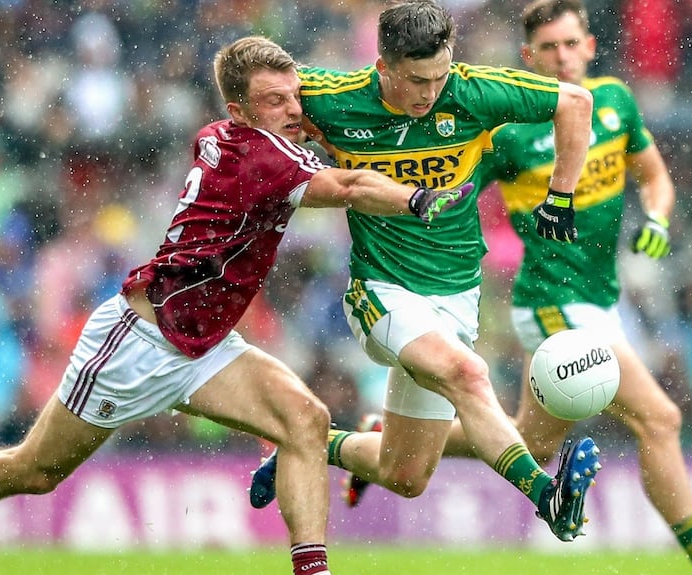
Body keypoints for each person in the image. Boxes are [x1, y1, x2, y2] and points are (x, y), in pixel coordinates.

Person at [0, 35, 474, 575]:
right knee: (36, 470)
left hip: (206, 345)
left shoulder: (228, 137)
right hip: (139, 341)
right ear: (239, 111)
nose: (294, 109)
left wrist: (314, 128)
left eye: (295, 96)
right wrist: (418, 197)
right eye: (274, 101)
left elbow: (294, 153)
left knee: (306, 421)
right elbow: (346, 187)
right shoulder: (259, 157)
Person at [342, 2, 692, 574]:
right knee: (660, 418)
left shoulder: (615, 102)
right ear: (528, 58)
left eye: (570, 43)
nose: (562, 56)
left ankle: (381, 440)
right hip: (551, 300)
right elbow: (448, 192)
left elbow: (654, 176)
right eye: (548, 48)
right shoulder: (509, 132)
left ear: (591, 45)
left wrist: (656, 218)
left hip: (605, 297)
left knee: (531, 444)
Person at [250, 0, 603, 543]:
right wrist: (283, 135)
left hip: (457, 293)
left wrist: (561, 197)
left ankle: (313, 446)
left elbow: (576, 103)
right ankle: (546, 495)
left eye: (440, 76)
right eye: (416, 80)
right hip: (381, 288)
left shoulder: (473, 90)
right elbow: (256, 96)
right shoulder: (328, 94)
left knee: (405, 473)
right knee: (469, 374)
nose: (429, 92)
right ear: (384, 65)